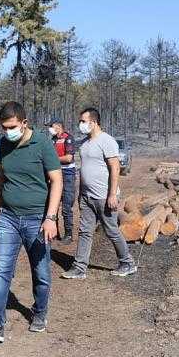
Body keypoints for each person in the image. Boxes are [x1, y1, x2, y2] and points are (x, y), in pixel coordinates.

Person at [0, 101, 63, 343]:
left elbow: (57, 180)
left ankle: (40, 312)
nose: (7, 131)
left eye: (12, 126)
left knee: (41, 271)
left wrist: (51, 218)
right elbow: (0, 177)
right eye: (4, 127)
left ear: (24, 123)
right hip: (8, 219)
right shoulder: (3, 144)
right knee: (1, 271)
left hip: (38, 219)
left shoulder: (41, 143)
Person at [61, 107, 136, 280]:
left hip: (104, 196)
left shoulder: (107, 140)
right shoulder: (85, 143)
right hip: (87, 197)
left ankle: (127, 263)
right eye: (80, 121)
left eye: (83, 121)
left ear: (93, 122)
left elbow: (115, 167)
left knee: (111, 231)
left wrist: (112, 194)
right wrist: (81, 193)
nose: (80, 124)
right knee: (85, 231)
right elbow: (85, 170)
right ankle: (79, 268)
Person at [46, 118, 77, 240]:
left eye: (51, 126)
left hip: (67, 174)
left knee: (66, 206)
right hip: (54, 173)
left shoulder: (68, 138)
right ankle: (55, 233)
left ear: (58, 126)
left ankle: (68, 234)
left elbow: (69, 158)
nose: (50, 129)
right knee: (53, 204)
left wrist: (52, 159)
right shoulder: (53, 140)